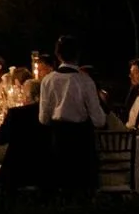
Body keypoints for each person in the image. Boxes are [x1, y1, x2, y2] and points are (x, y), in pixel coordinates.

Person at [37, 34, 105, 195]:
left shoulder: (48, 80)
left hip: (57, 142)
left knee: (60, 191)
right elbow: (99, 120)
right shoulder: (86, 81)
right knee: (82, 191)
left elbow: (43, 119)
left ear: (58, 55)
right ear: (78, 54)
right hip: (81, 143)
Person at [0, 79, 47, 192]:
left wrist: (4, 124)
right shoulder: (50, 114)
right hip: (44, 171)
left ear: (31, 97)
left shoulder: (16, 114)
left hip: (16, 171)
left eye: (23, 95)